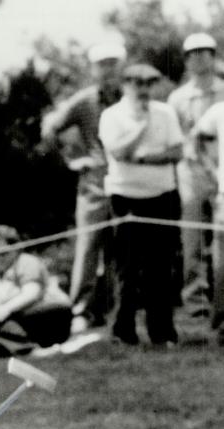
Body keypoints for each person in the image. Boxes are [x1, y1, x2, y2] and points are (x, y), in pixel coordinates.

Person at [41, 39, 126, 334]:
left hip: (128, 180)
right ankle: (82, 312)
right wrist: (71, 160)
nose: (108, 70)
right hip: (94, 182)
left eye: (113, 64)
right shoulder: (84, 100)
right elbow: (50, 128)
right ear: (94, 69)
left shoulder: (130, 96)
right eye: (103, 65)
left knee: (121, 249)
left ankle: (117, 311)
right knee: (89, 248)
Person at [99, 63, 183, 345]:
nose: (143, 89)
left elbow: (176, 151)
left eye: (149, 83)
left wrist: (145, 158)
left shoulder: (167, 112)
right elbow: (120, 152)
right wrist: (142, 127)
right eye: (137, 83)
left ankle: (162, 332)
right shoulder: (111, 115)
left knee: (162, 267)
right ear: (125, 85)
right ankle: (123, 332)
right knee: (127, 267)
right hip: (125, 198)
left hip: (163, 196)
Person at [167, 32, 224, 321]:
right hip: (190, 174)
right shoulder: (177, 98)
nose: (200, 58)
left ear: (214, 56)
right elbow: (177, 139)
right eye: (193, 53)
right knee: (192, 241)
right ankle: (196, 303)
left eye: (205, 52)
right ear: (187, 60)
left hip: (222, 173)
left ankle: (220, 302)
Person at [0, 225, 72, 356]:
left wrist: (3, 309)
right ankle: (26, 348)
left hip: (51, 313)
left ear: (16, 248)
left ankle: (30, 349)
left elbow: (32, 293)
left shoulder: (26, 262)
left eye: (3, 253)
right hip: (24, 322)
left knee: (0, 318)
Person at [189, 94, 224, 341]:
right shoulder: (219, 111)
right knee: (222, 264)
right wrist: (211, 172)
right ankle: (222, 322)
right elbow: (195, 140)